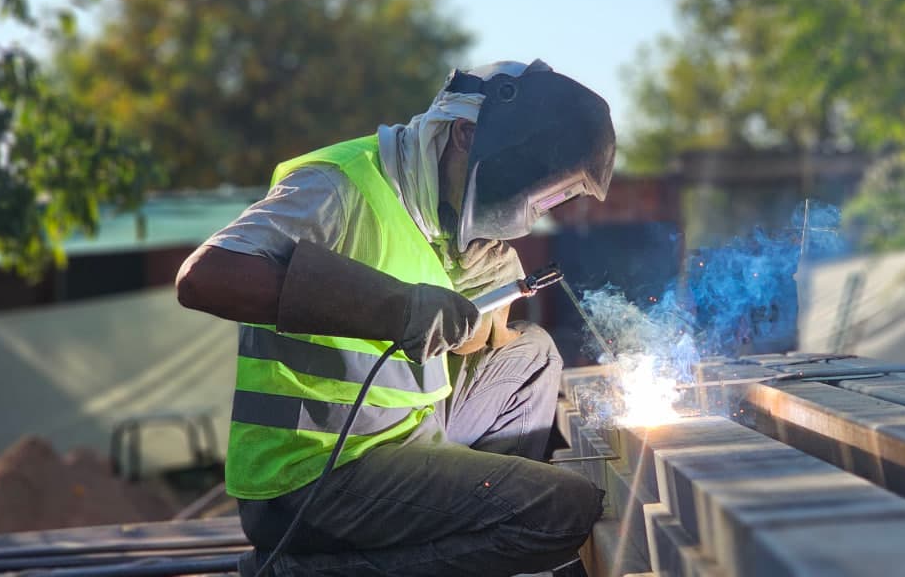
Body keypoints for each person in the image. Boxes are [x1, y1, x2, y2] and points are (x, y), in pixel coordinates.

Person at [176, 59, 616, 576]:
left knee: (532, 352)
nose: (526, 210)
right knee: (560, 512)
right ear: (464, 135)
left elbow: (478, 343)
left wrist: (482, 295)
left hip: (404, 437)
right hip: (310, 476)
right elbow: (204, 278)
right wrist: (399, 308)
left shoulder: (438, 215)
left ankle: (483, 537)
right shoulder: (336, 186)